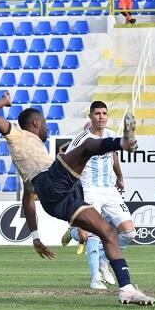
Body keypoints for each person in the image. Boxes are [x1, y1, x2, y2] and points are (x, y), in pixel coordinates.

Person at [0, 93, 155, 306]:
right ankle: (123, 143)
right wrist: (4, 101)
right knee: (86, 147)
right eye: (45, 123)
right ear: (37, 123)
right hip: (50, 184)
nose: (46, 128)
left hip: (55, 200)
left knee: (107, 232)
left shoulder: (32, 156)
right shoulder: (17, 134)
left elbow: (28, 201)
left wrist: (36, 238)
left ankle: (126, 289)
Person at [60, 102, 135, 291]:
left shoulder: (110, 135)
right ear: (90, 116)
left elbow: (114, 158)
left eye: (104, 113)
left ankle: (103, 258)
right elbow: (67, 164)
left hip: (109, 189)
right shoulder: (81, 139)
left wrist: (119, 177)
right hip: (89, 189)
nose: (101, 117)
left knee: (129, 232)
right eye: (97, 114)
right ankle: (95, 278)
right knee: (93, 233)